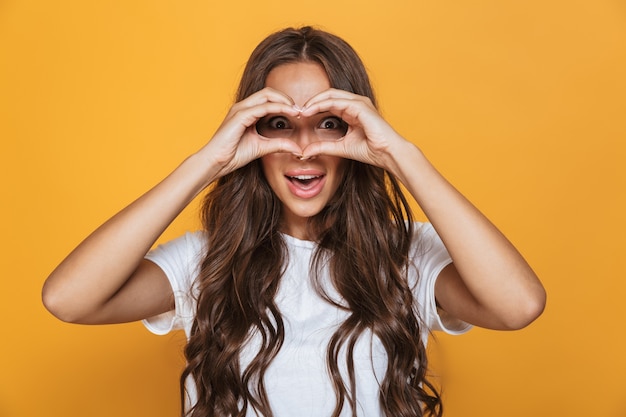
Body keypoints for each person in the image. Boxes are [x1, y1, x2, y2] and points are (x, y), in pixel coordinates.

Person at [42, 26, 546, 417]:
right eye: (279, 124)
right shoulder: (209, 261)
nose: (304, 149)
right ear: (250, 135)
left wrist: (399, 154)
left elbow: (519, 305)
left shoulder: (406, 255)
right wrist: (208, 161)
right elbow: (68, 298)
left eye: (328, 123)